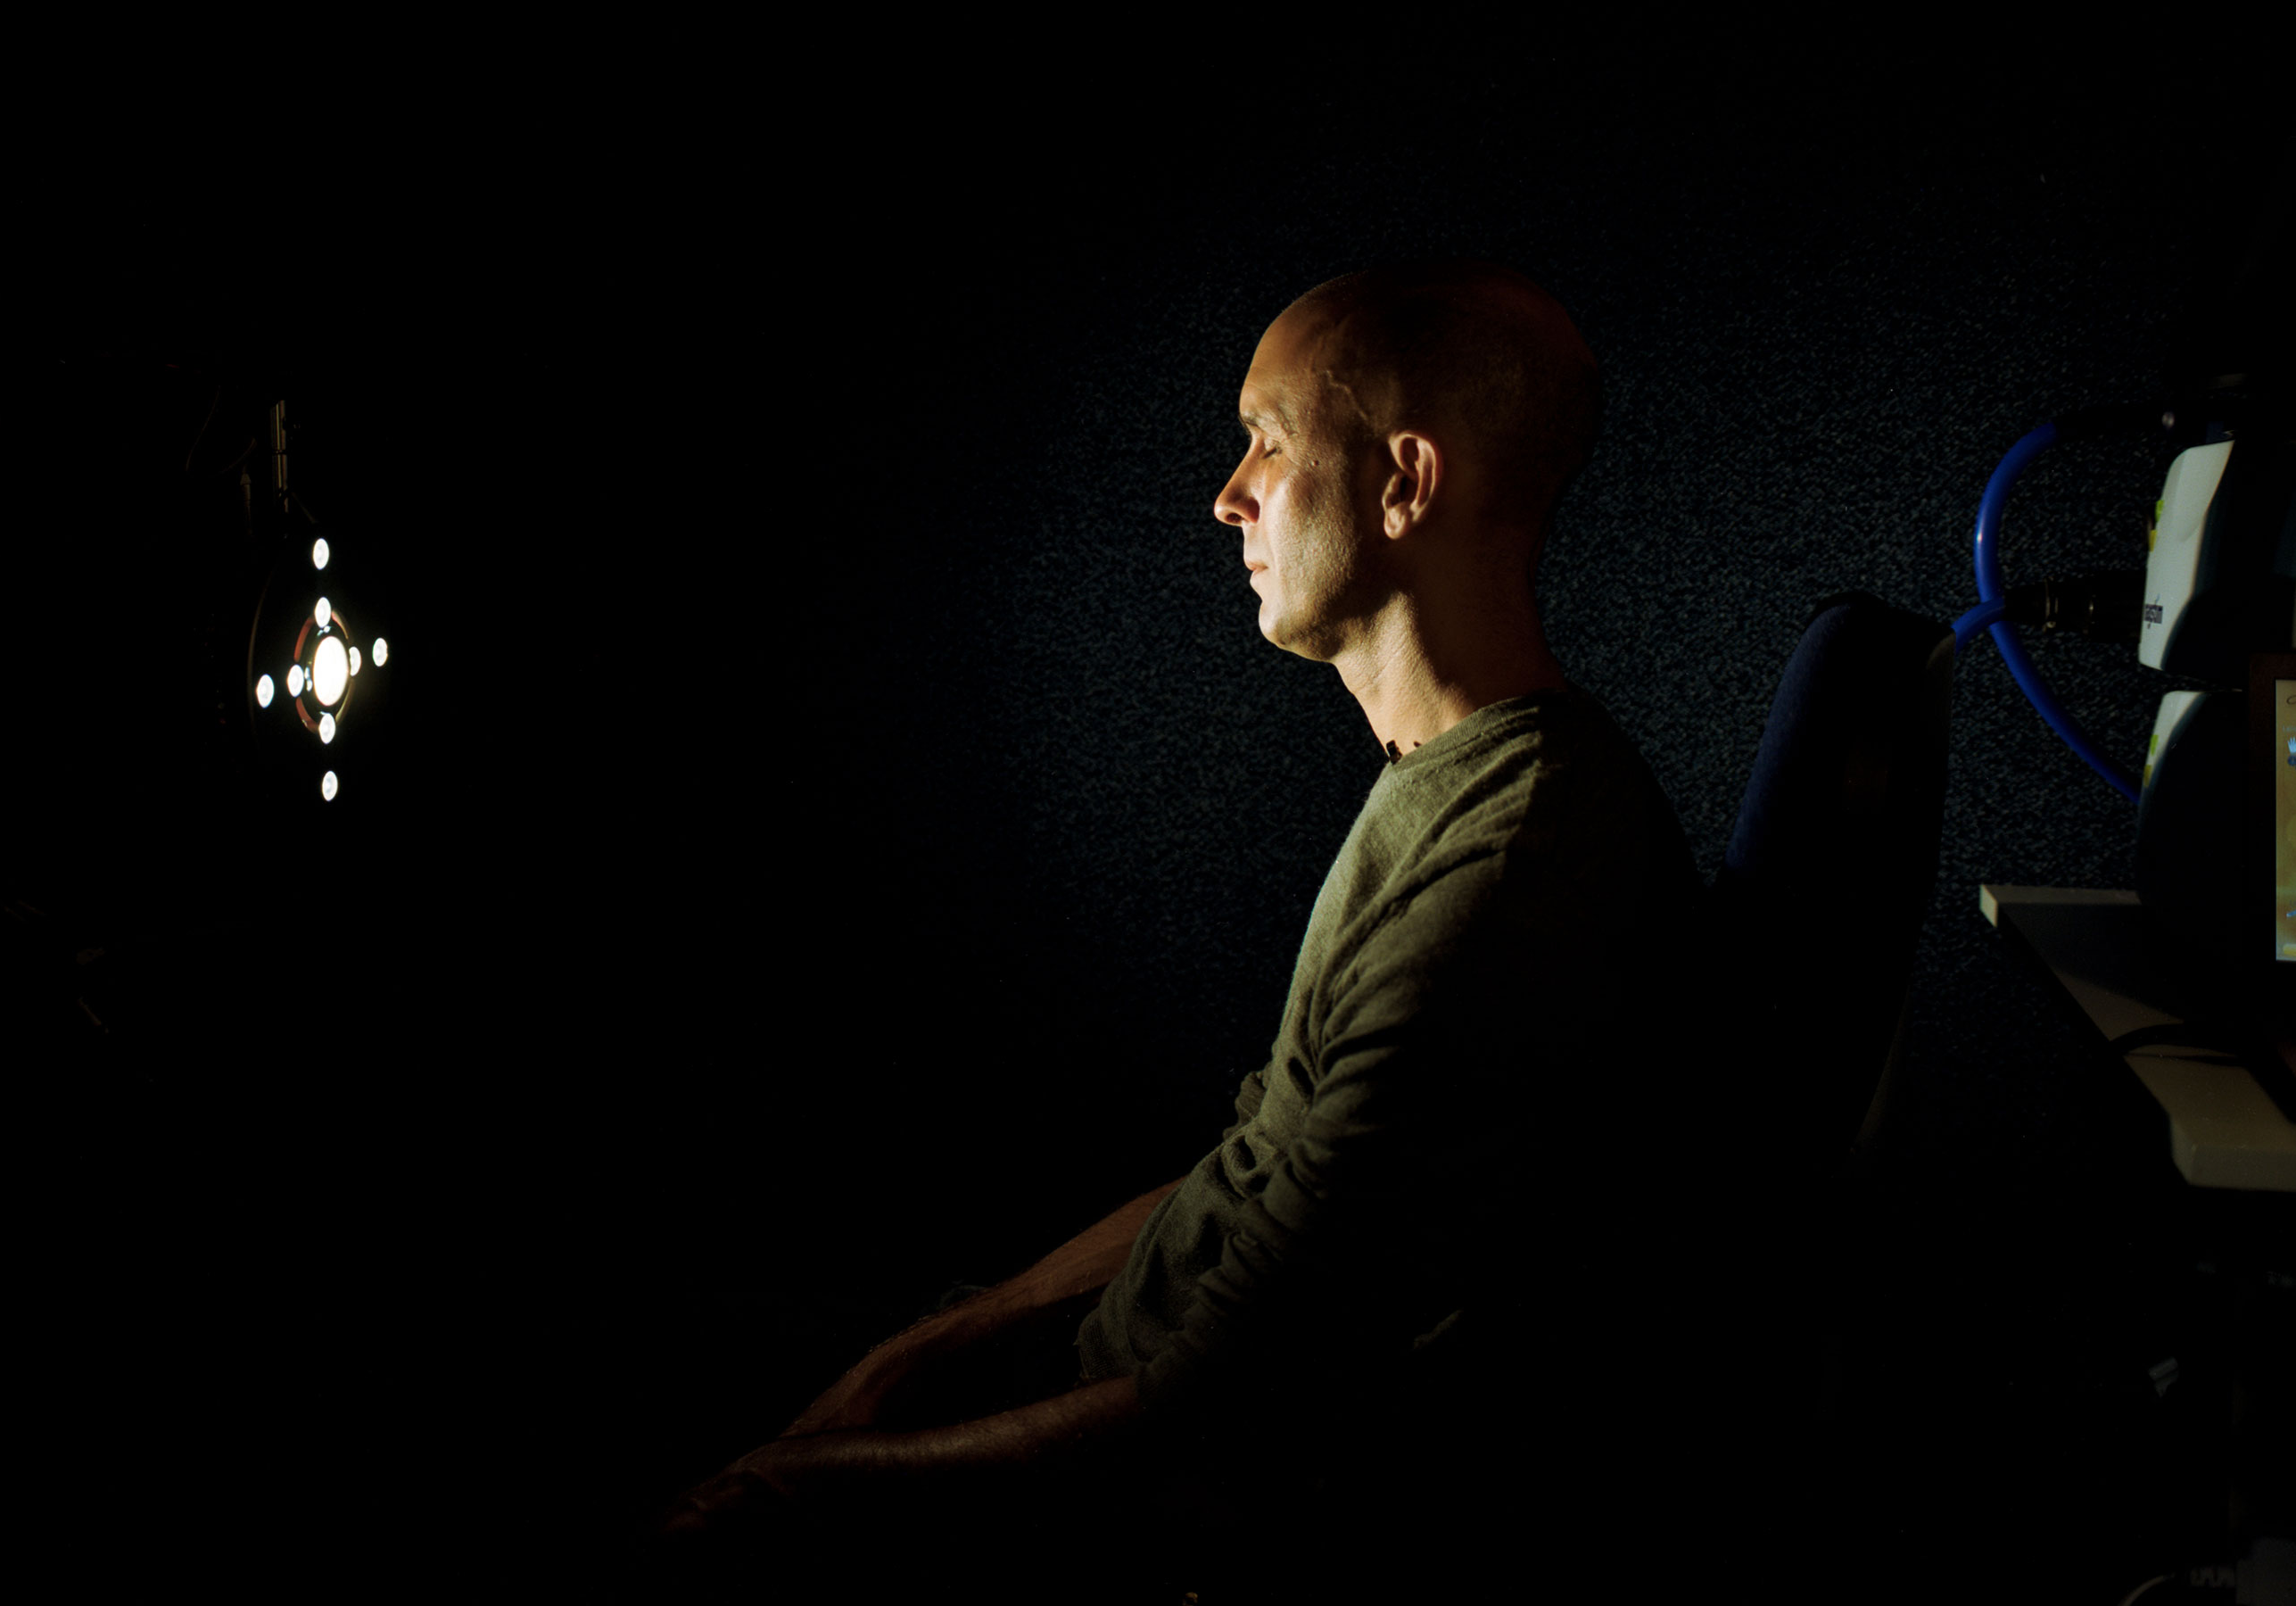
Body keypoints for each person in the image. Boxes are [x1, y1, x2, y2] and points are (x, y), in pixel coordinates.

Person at [625, 260, 1739, 1603]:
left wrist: (781, 1498)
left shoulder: (1507, 868)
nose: (1230, 494)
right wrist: (930, 1347)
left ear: (1404, 483)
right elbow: (1263, 1152)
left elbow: (1213, 1406)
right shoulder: (1449, 786)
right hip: (1097, 1385)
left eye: (1269, 439)